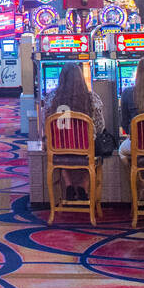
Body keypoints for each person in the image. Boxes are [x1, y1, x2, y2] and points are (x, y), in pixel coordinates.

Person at [43, 62, 105, 202]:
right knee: (90, 146)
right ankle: (83, 186)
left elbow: (45, 125)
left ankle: (69, 184)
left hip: (59, 149)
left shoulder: (51, 98)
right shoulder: (92, 98)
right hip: (86, 149)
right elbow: (100, 127)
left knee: (62, 143)